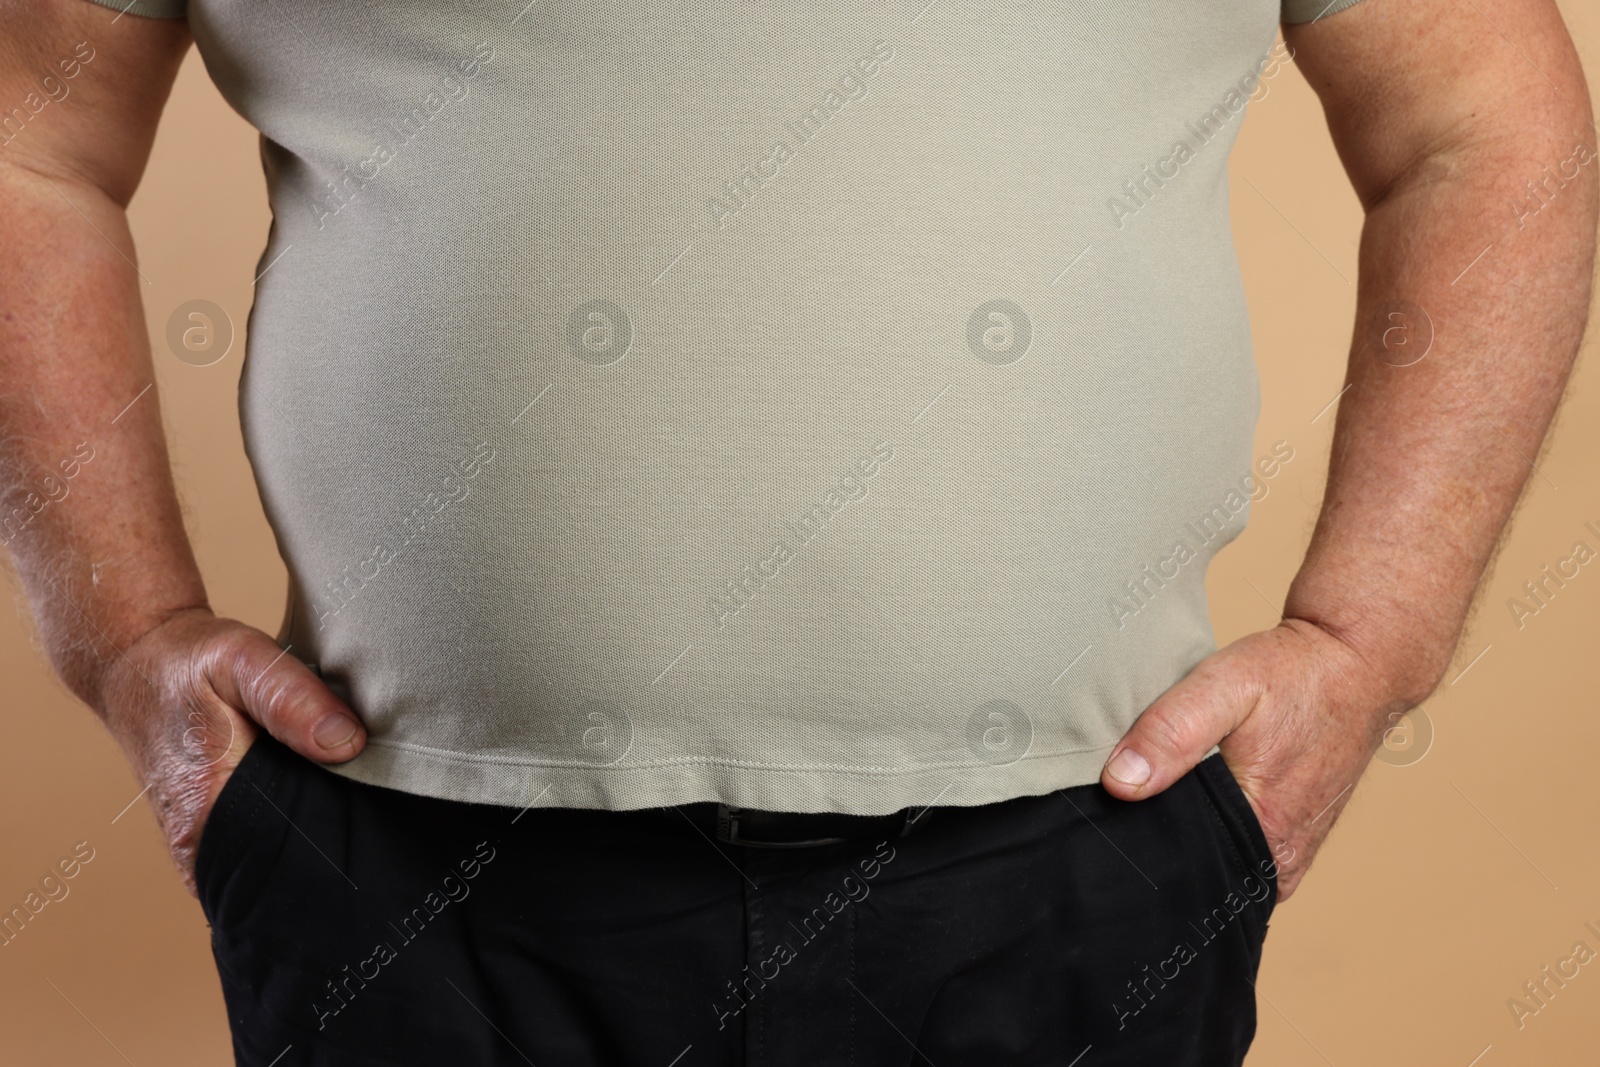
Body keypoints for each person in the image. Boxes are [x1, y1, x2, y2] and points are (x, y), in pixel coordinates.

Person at [1, 0, 1594, 1062]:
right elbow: (31, 142)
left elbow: (1485, 125)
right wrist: (123, 636)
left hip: (1073, 854)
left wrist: (1368, 640)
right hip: (405, 877)